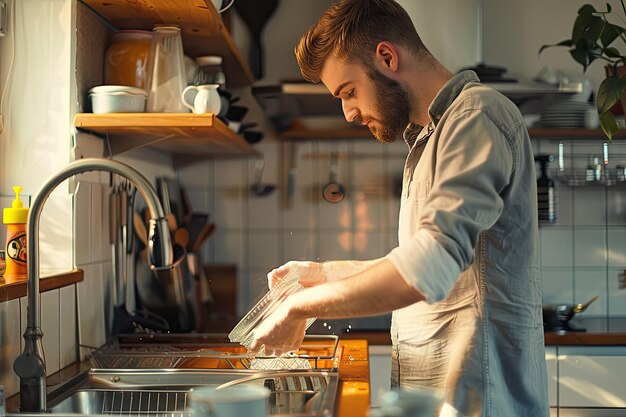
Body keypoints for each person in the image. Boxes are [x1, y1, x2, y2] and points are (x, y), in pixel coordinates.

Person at [249, 0, 549, 415]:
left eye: (349, 92)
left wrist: (301, 306)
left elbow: (427, 267)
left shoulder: (477, 116)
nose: (349, 113)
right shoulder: (429, 139)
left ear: (387, 57)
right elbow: (414, 261)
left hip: (478, 405)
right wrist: (317, 276)